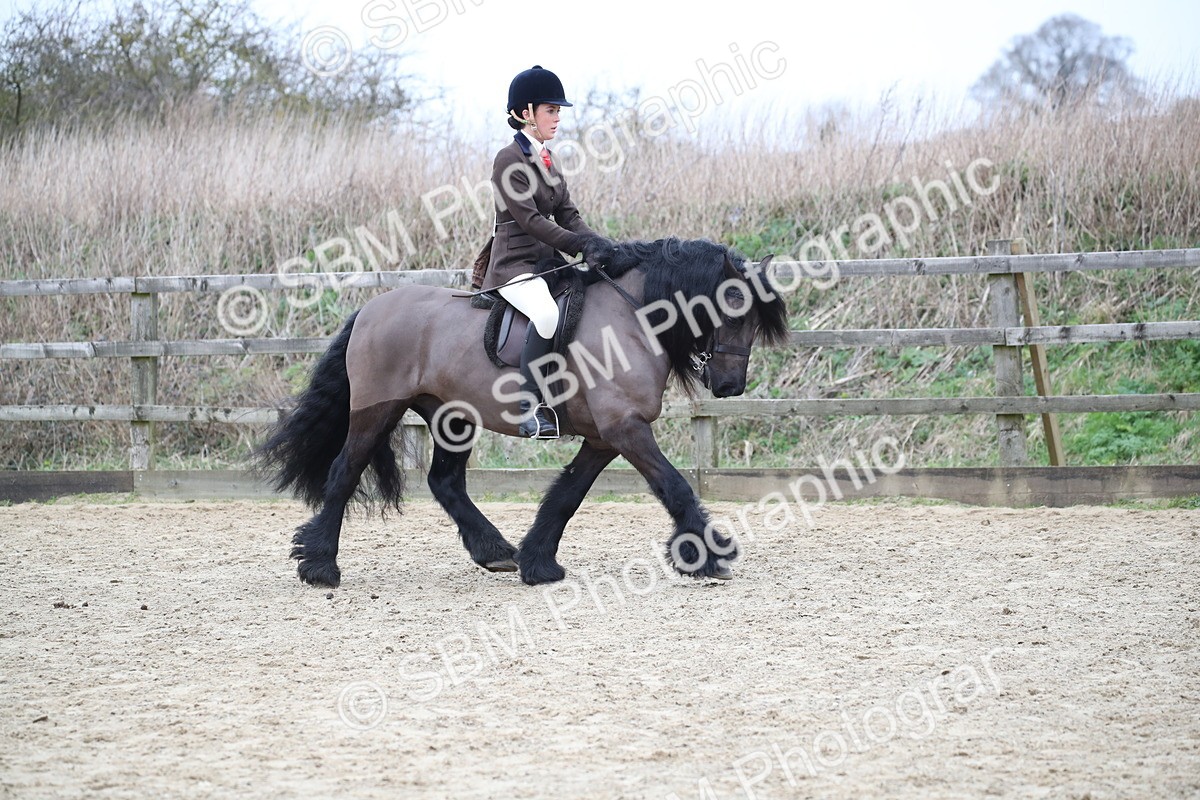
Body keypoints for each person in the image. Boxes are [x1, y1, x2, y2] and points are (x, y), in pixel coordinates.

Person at [475, 65, 616, 439]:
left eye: (558, 111)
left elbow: (569, 215)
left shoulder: (547, 160)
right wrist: (578, 246)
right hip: (513, 266)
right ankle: (527, 405)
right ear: (526, 113)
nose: (557, 117)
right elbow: (532, 221)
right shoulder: (508, 160)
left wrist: (602, 245)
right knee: (547, 314)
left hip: (544, 265)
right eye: (550, 110)